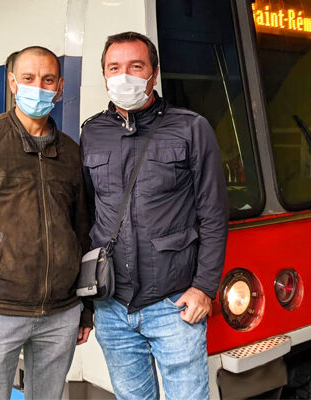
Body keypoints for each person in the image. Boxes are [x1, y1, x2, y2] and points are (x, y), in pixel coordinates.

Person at [81, 32, 229, 399]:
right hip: (112, 306)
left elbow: (213, 214)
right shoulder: (91, 133)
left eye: (136, 66)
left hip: (174, 303)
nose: (124, 75)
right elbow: (85, 216)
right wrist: (87, 303)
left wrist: (204, 288)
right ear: (104, 74)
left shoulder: (191, 128)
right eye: (114, 67)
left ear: (154, 74)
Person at [0, 46, 92, 400]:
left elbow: (82, 233)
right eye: (28, 78)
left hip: (61, 312)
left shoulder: (71, 153)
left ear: (59, 86)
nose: (37, 87)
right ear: (12, 83)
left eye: (47, 80)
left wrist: (84, 310)